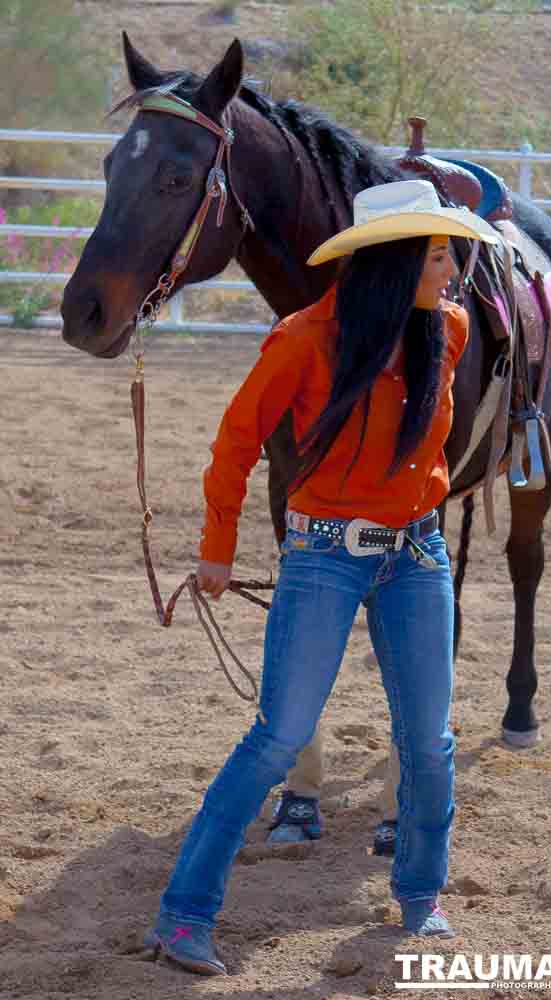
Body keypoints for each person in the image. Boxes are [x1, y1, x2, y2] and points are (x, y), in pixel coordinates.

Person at [145, 179, 498, 976]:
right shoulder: (304, 337)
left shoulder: (447, 328)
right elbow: (236, 441)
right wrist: (216, 546)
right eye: (438, 257)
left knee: (429, 741)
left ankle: (420, 894)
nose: (451, 271)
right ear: (395, 260)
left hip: (417, 555)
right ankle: (182, 916)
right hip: (322, 556)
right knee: (278, 737)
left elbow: (429, 448)